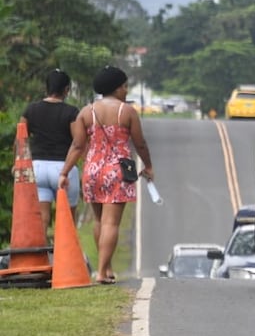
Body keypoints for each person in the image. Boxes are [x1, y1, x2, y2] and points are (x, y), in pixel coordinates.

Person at [58, 66, 155, 284]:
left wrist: (65, 172)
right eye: (124, 86)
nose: (126, 90)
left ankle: (107, 267)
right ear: (117, 88)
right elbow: (140, 143)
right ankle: (101, 272)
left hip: (92, 170)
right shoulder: (126, 112)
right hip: (117, 171)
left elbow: (77, 145)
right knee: (111, 223)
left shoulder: (86, 112)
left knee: (100, 221)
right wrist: (148, 165)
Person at [20, 69, 81, 239]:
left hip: (37, 168)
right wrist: (67, 169)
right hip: (63, 168)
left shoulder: (31, 110)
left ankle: (41, 259)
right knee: (67, 221)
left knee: (42, 219)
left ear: (46, 88)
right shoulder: (71, 112)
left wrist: (18, 165)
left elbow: (21, 140)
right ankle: (64, 261)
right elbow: (78, 142)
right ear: (67, 90)